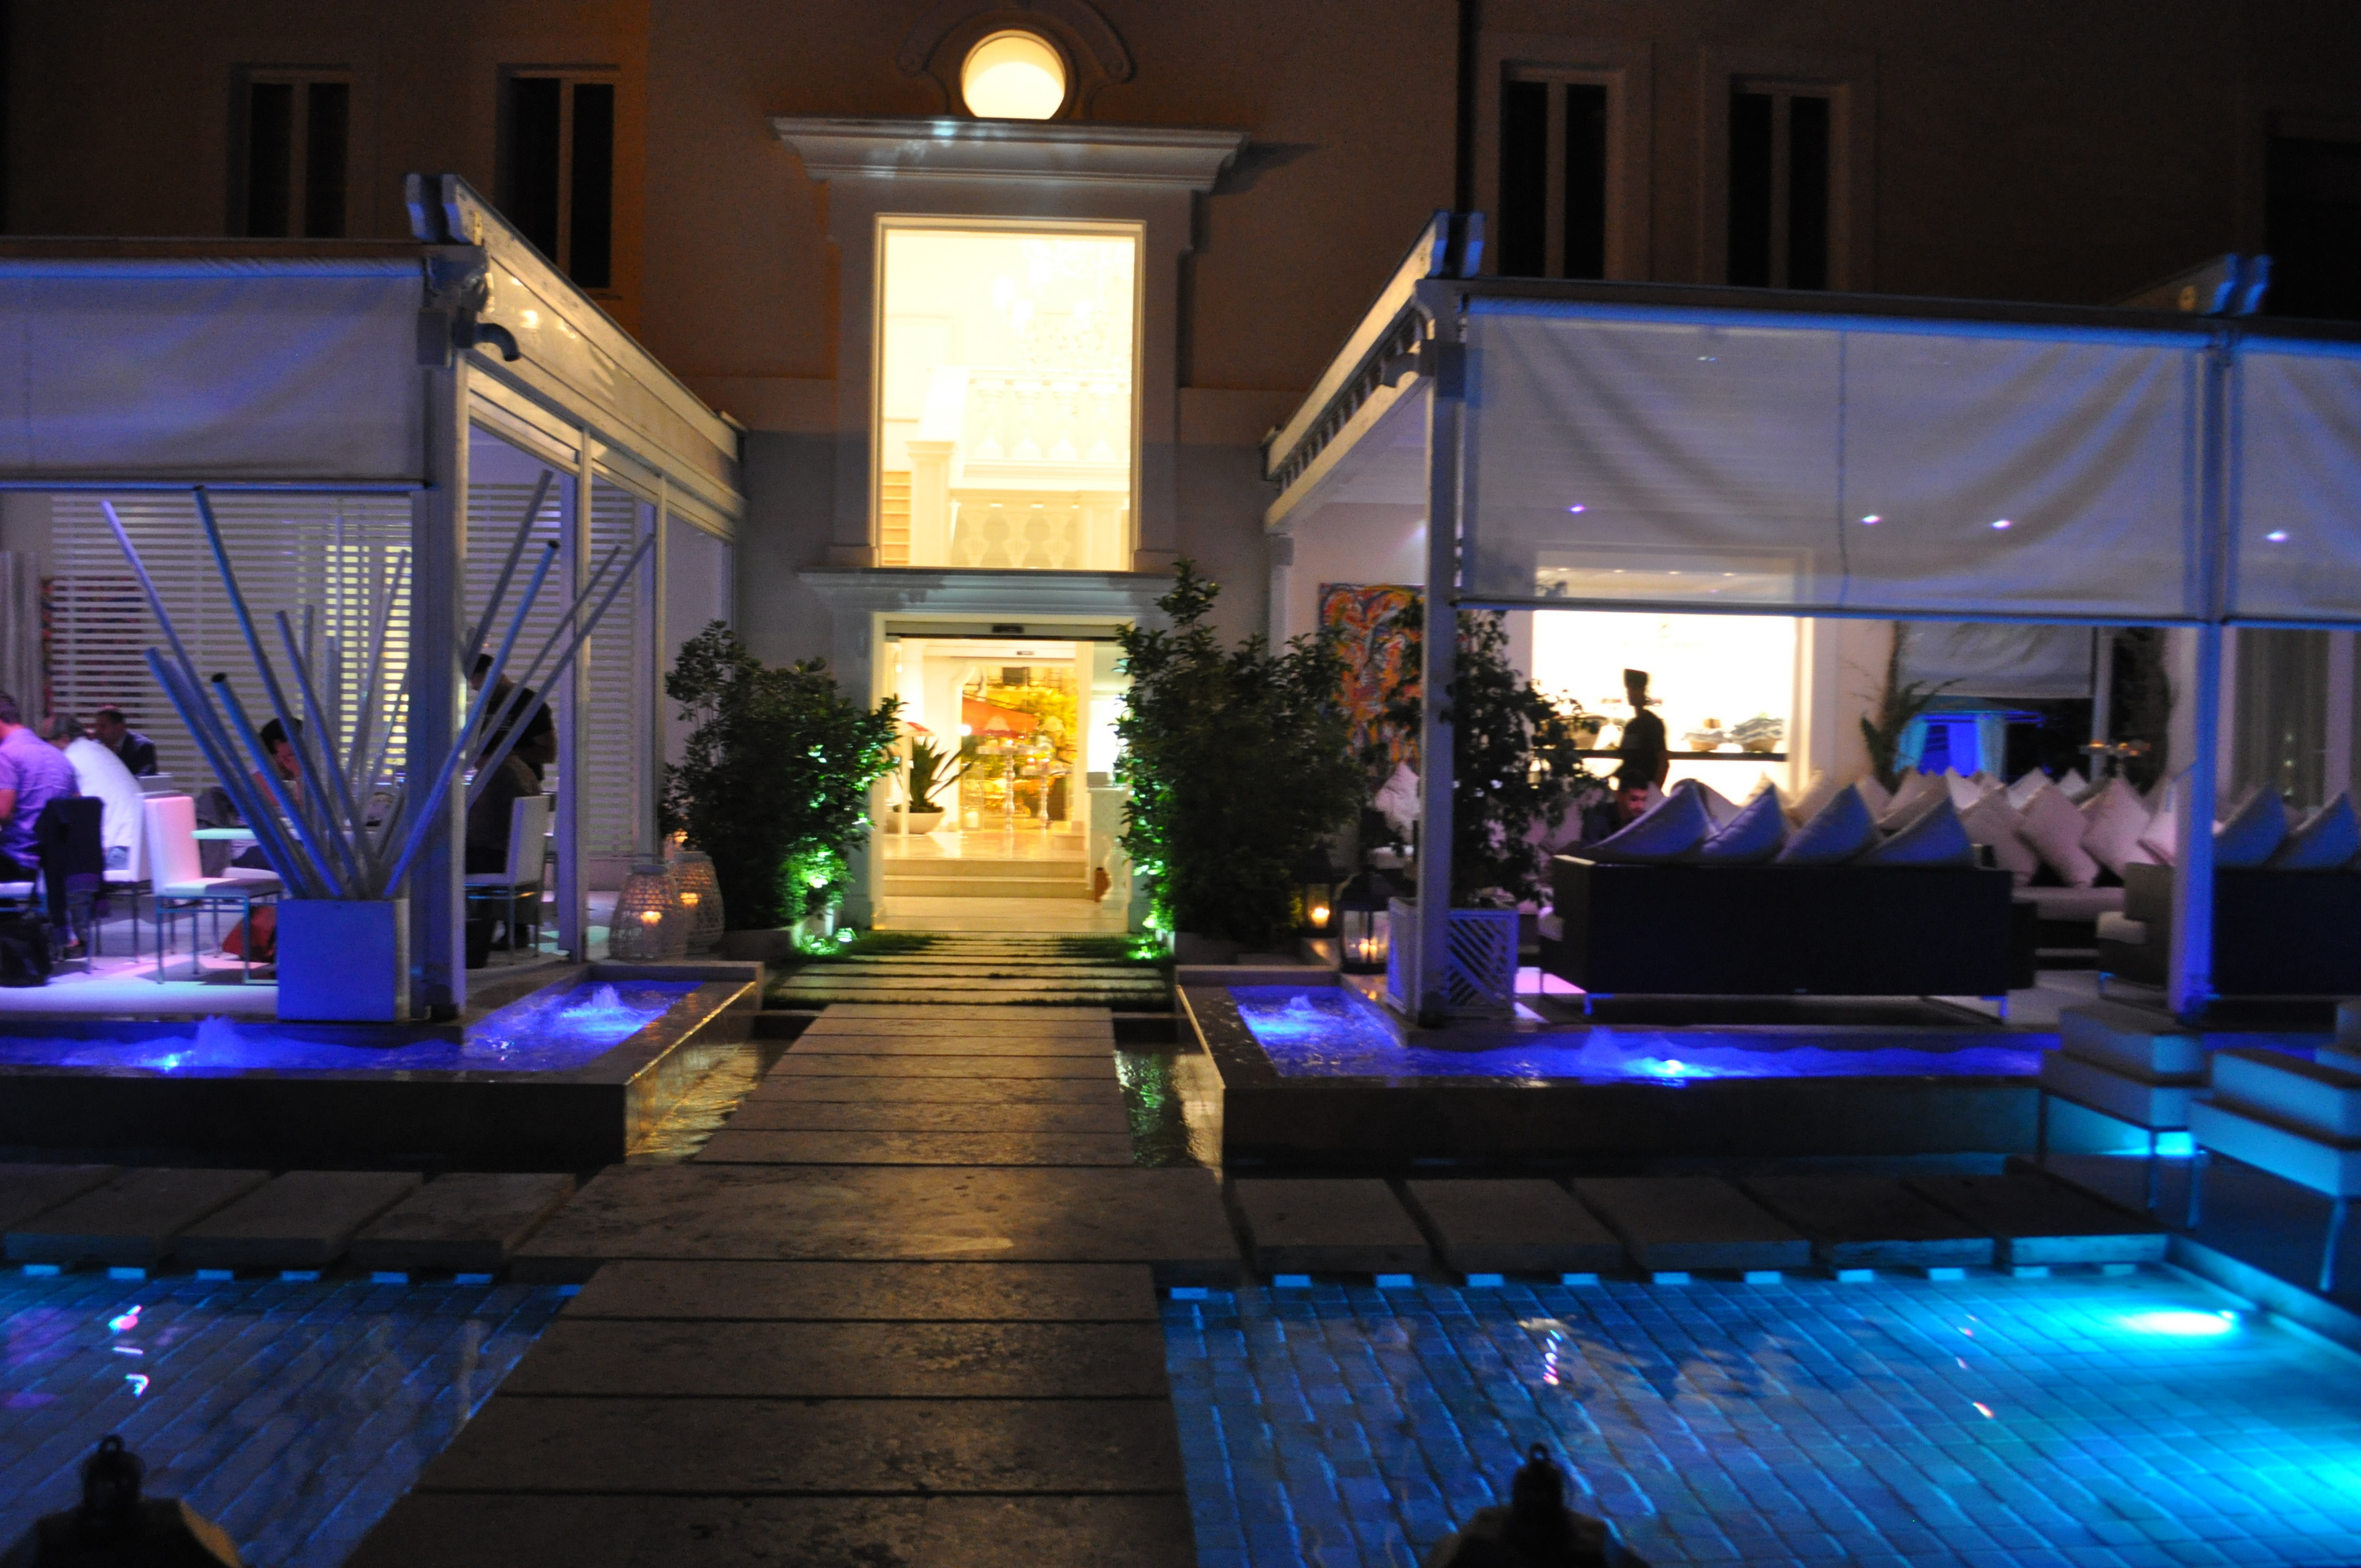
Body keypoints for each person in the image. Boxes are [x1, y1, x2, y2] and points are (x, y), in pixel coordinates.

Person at [38, 715, 141, 873]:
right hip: (139, 847)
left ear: (64, 740)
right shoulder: (99, 750)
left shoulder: (66, 762)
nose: (42, 746)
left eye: (45, 740)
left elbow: (57, 812)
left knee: (56, 871)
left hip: (117, 851)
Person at [0, 692, 80, 881]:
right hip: (60, 864)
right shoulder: (59, 756)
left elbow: (3, 813)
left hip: (21, 862)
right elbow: (79, 808)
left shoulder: (6, 755)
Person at [467, 654, 555, 756]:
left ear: (498, 675)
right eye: (477, 689)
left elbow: (548, 754)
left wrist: (499, 757)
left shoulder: (529, 703)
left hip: (516, 766)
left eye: (485, 687)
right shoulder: (482, 706)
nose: (482, 694)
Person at [1616, 669, 1668, 790]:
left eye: (1633, 689)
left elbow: (1663, 762)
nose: (1630, 694)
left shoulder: (1652, 724)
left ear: (1643, 691)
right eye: (1629, 690)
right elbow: (1628, 760)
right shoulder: (1632, 725)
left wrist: (1654, 791)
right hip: (1632, 789)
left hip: (1642, 788)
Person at [1579, 770, 1659, 847]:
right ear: (1619, 795)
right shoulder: (1598, 817)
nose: (1640, 806)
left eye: (1644, 800)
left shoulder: (1645, 821)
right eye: (1634, 799)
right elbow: (1589, 851)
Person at [89, 706, 158, 777]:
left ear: (119, 727)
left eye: (103, 726)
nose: (97, 730)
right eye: (96, 726)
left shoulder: (142, 747)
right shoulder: (95, 746)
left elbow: (144, 777)